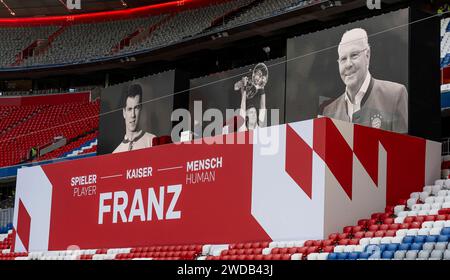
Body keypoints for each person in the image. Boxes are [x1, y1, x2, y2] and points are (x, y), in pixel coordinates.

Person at [321, 28, 408, 133]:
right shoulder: (329, 112)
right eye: (343, 59)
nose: (348, 64)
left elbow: (405, 148)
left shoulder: (395, 95)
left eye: (354, 55)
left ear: (367, 55)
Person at [113, 83, 155, 153]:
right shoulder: (116, 152)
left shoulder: (152, 141)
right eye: (129, 109)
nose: (133, 115)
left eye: (136, 108)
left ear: (141, 109)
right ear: (124, 112)